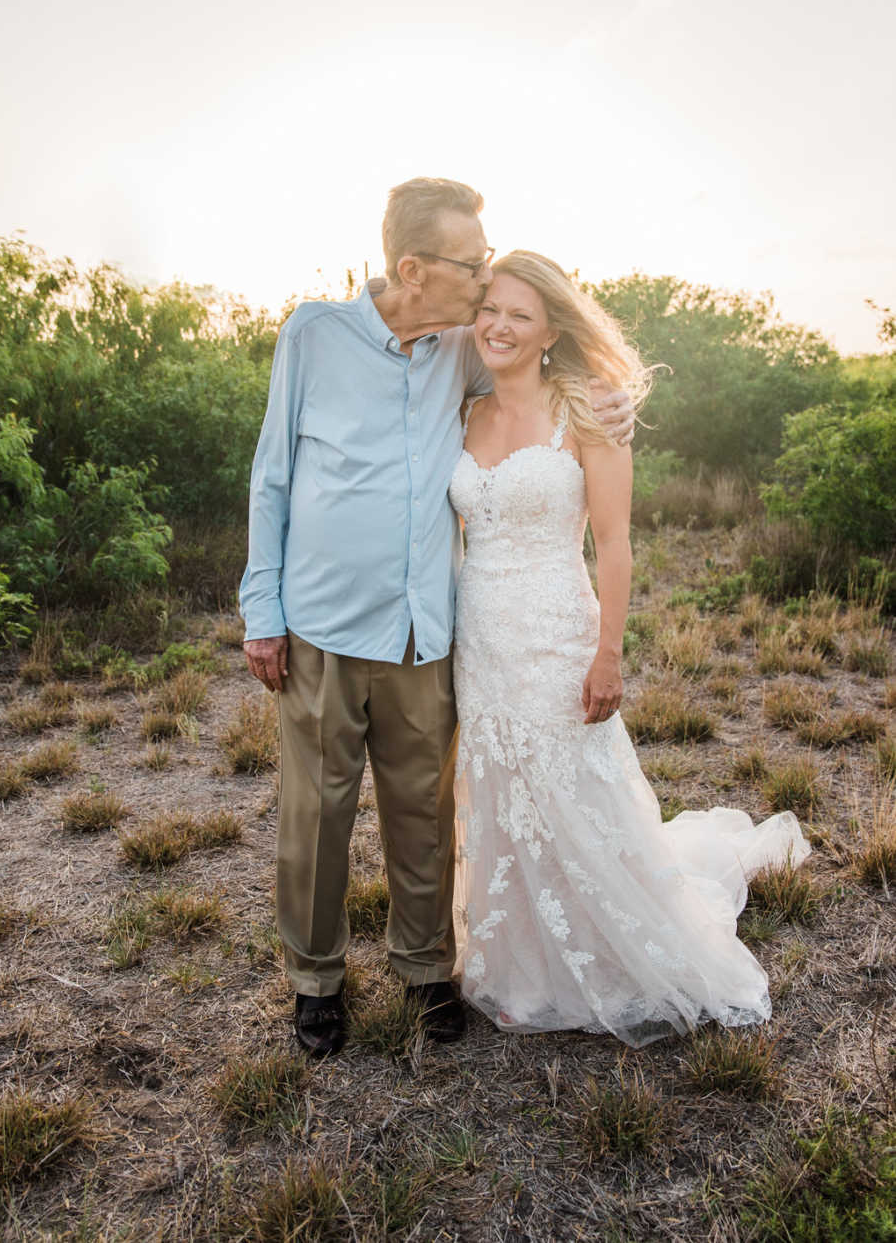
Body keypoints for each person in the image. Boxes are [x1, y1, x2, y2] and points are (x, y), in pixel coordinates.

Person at [239, 180, 635, 1057]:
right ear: (413, 269)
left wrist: (609, 400)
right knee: (317, 814)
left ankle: (426, 970)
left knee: (423, 807)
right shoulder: (313, 335)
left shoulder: (463, 345)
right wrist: (259, 610)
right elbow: (271, 478)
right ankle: (317, 980)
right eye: (472, 262)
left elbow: (540, 366)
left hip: (426, 632)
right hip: (320, 629)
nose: (485, 277)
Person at [449, 250, 810, 1044]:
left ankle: (619, 950)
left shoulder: (588, 407)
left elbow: (614, 543)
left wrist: (607, 653)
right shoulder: (465, 407)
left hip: (557, 630)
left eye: (520, 314)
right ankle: (519, 964)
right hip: (480, 633)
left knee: (577, 789)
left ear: (550, 331)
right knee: (502, 788)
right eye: (491, 310)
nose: (499, 326)